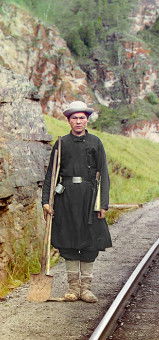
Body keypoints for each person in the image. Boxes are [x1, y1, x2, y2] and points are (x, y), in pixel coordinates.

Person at [42, 101, 112, 303]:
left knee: (90, 241)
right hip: (66, 198)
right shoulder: (61, 143)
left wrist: (103, 204)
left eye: (82, 118)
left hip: (90, 198)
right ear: (69, 120)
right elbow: (51, 175)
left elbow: (104, 174)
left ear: (86, 120)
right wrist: (46, 201)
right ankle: (73, 288)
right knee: (68, 240)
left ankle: (86, 288)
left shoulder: (96, 142)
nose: (78, 121)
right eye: (74, 118)